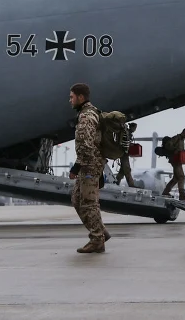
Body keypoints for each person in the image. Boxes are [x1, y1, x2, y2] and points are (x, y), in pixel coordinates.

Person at [64, 83, 107, 253]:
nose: (70, 100)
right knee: (77, 199)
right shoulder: (89, 113)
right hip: (89, 164)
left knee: (89, 203)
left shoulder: (86, 116)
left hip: (89, 165)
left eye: (72, 97)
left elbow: (85, 145)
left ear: (80, 97)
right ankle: (100, 232)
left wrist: (76, 167)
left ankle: (97, 239)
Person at [162, 127, 185, 200]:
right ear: (184, 132)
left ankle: (166, 191)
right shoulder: (177, 138)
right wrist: (175, 150)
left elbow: (180, 149)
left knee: (176, 178)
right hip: (175, 160)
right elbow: (168, 145)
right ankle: (182, 195)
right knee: (181, 177)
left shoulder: (181, 140)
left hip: (178, 160)